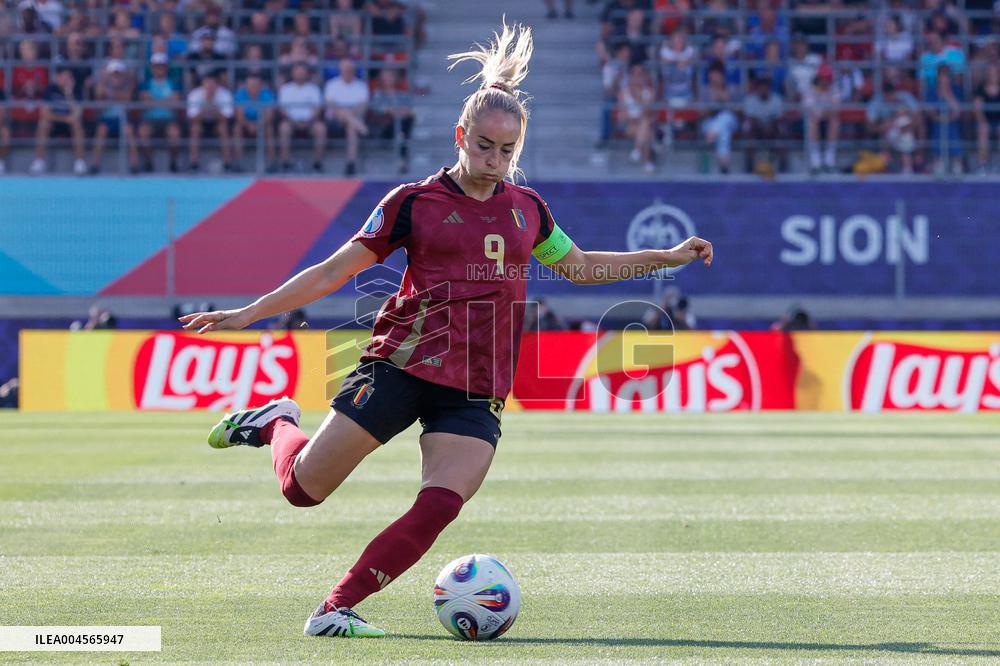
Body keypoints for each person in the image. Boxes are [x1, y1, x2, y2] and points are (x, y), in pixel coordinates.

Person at [179, 21, 714, 640]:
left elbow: (583, 267)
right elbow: (333, 270)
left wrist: (666, 257)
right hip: (402, 365)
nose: (495, 161)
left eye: (507, 151)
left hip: (477, 385)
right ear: (461, 136)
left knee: (440, 503)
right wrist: (249, 313)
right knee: (303, 490)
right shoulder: (413, 202)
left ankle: (335, 608)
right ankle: (275, 422)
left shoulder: (528, 210)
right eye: (484, 146)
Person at [31, 67, 87, 175]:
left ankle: (79, 162)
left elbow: (78, 114)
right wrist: (65, 118)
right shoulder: (50, 89)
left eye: (68, 77)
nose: (66, 79)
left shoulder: (76, 90)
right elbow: (45, 113)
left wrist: (69, 94)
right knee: (43, 124)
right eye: (63, 76)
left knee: (77, 125)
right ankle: (39, 162)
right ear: (57, 77)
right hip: (55, 121)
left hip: (70, 124)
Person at [137, 53, 183, 172]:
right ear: (152, 68)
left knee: (174, 134)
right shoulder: (145, 84)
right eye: (156, 66)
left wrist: (154, 101)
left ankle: (173, 162)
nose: (159, 69)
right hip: (149, 119)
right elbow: (145, 102)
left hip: (169, 118)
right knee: (143, 133)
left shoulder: (174, 83)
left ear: (166, 67)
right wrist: (166, 101)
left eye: (161, 66)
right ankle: (148, 162)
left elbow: (176, 102)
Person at [323, 58, 369, 175]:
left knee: (351, 128)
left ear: (354, 71)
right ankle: (361, 127)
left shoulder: (361, 86)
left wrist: (349, 115)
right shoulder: (332, 85)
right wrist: (345, 113)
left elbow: (363, 106)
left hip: (353, 119)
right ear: (340, 70)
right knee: (341, 113)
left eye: (350, 70)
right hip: (334, 120)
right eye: (345, 70)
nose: (347, 72)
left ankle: (350, 163)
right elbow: (331, 105)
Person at [278, 63, 326, 172]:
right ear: (292, 73)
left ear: (307, 74)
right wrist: (294, 121)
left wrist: (308, 121)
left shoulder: (313, 89)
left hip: (310, 122)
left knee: (321, 128)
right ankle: (285, 163)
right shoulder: (285, 89)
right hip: (291, 121)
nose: (300, 74)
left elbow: (317, 108)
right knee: (283, 128)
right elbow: (282, 109)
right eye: (297, 71)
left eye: (302, 71)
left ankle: (317, 164)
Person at [367, 68, 414, 174]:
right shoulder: (377, 94)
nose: (388, 79)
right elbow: (379, 110)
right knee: (401, 122)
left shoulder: (402, 95)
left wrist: (396, 111)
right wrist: (395, 111)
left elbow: (409, 111)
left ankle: (401, 139)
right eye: (385, 76)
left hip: (400, 124)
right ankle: (401, 142)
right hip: (383, 129)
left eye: (390, 76)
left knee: (407, 120)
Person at [186, 72, 235, 172]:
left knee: (223, 128)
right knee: (194, 128)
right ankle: (194, 164)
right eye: (207, 84)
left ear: (217, 84)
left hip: (218, 123)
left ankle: (227, 164)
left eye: (212, 84)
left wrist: (212, 106)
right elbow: (192, 118)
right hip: (200, 122)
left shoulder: (225, 94)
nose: (210, 87)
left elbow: (227, 118)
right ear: (203, 84)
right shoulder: (195, 94)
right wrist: (205, 106)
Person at [233, 71, 277, 170]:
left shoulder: (267, 95)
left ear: (261, 85)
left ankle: (272, 163)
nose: (253, 87)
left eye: (256, 84)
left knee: (269, 130)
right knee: (237, 129)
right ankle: (238, 163)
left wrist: (258, 125)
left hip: (262, 123)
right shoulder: (240, 95)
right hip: (245, 123)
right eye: (251, 84)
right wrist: (248, 125)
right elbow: (239, 116)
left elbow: (269, 116)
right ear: (246, 85)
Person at [974, 61, 1000, 172]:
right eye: (990, 72)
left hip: (999, 121)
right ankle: (982, 165)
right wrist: (982, 121)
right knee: (983, 129)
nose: (992, 75)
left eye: (995, 72)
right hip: (985, 120)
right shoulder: (980, 88)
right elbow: (977, 108)